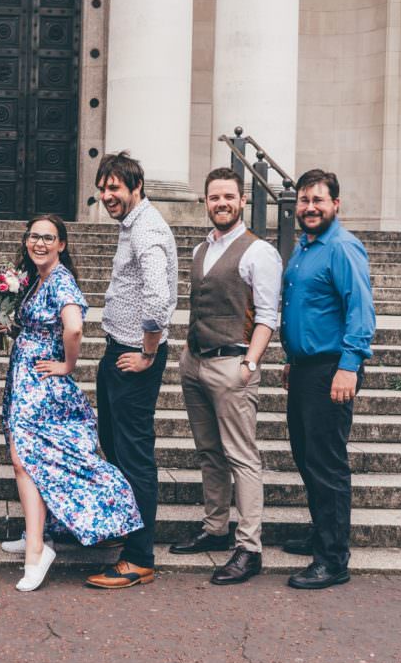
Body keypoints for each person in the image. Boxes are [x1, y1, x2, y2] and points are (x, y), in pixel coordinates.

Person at [0, 215, 142, 592]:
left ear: (62, 244)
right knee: (27, 458)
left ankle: (37, 550)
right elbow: (38, 324)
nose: (39, 243)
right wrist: (10, 326)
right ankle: (40, 533)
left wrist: (68, 364)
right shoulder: (35, 280)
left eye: (48, 238)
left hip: (42, 383)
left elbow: (74, 326)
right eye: (33, 236)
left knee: (25, 458)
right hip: (26, 378)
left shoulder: (60, 279)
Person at [169, 168, 282, 586]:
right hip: (196, 362)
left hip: (233, 364)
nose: (221, 203)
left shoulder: (258, 252)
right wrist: (187, 353)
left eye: (228, 197)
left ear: (241, 201)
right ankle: (216, 528)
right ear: (206, 202)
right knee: (208, 452)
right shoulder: (201, 249)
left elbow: (269, 316)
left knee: (242, 457)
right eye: (214, 197)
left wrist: (250, 364)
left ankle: (249, 547)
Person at [84, 152, 178, 590]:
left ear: (135, 186)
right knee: (115, 447)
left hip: (134, 356)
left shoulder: (148, 229)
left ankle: (139, 557)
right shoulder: (134, 226)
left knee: (133, 454)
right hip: (118, 349)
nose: (107, 196)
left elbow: (158, 299)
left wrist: (147, 352)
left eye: (115, 188)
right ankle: (128, 531)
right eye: (103, 188)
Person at [280, 169, 375, 590]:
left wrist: (349, 365)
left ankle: (333, 559)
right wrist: (292, 357)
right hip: (304, 367)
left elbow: (360, 310)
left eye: (318, 200)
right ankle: (322, 534)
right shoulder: (305, 247)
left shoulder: (342, 248)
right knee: (306, 457)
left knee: (327, 465)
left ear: (336, 204)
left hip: (331, 368)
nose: (310, 207)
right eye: (304, 200)